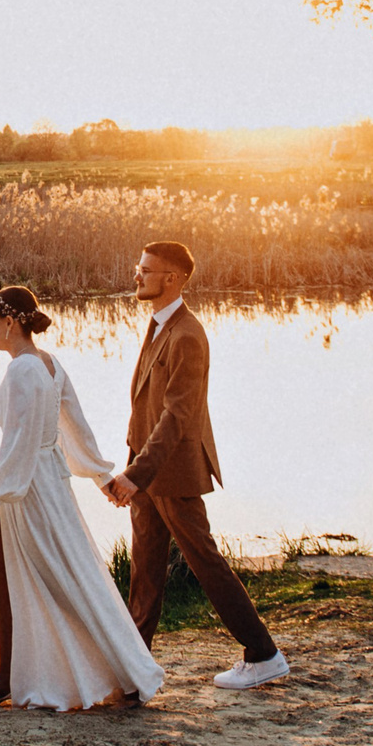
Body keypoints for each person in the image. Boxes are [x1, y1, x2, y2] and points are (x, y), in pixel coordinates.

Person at [0, 286, 167, 711]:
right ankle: (25, 675)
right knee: (63, 574)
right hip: (50, 482)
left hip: (26, 487)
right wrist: (101, 477)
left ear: (11, 323)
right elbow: (74, 428)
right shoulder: (50, 365)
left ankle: (8, 680)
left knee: (32, 578)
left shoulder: (22, 370)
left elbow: (20, 441)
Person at [103, 240, 290, 690]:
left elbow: (178, 416)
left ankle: (263, 654)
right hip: (147, 466)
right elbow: (146, 407)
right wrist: (132, 461)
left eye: (146, 270)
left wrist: (136, 474)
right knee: (144, 570)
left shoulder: (188, 334)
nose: (137, 275)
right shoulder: (158, 325)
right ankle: (134, 667)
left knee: (205, 562)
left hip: (171, 470)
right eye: (138, 266)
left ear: (173, 279)